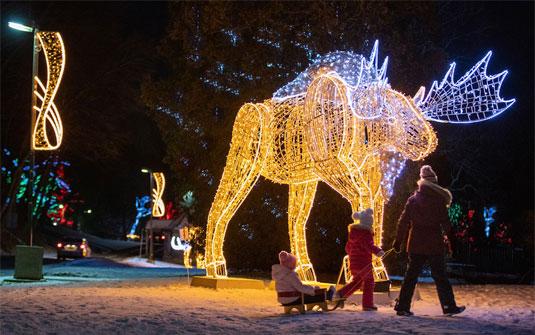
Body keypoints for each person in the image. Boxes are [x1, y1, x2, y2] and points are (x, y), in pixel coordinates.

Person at [392, 165, 465, 316]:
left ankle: (403, 306)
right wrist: (453, 244)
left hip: (416, 243)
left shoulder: (413, 200)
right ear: (434, 183)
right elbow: (446, 225)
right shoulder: (439, 201)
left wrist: (398, 241)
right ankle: (448, 305)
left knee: (410, 276)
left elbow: (403, 221)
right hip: (434, 244)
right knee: (440, 277)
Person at [334, 208, 385, 311]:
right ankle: (367, 305)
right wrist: (378, 251)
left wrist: (354, 254)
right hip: (364, 263)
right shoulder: (366, 233)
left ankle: (341, 294)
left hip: (353, 263)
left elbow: (347, 248)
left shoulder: (353, 234)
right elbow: (368, 245)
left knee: (357, 282)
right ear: (369, 223)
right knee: (369, 282)